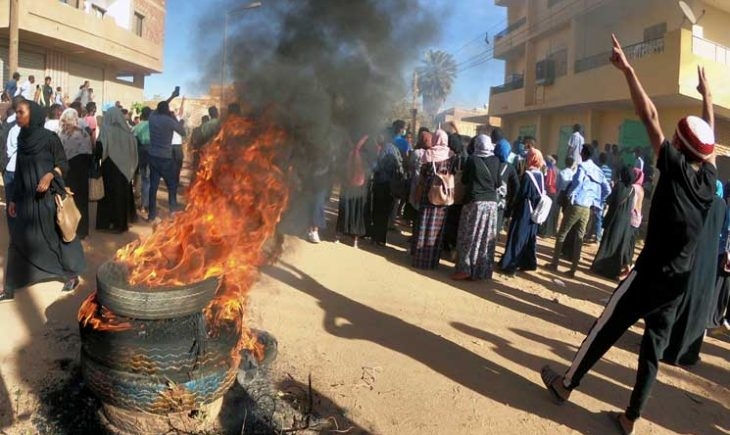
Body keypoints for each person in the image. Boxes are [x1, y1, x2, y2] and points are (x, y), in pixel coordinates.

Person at [540, 36, 718, 435]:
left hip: (648, 274)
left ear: (677, 145)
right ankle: (630, 418)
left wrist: (629, 71)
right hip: (677, 284)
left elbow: (648, 114)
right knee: (652, 352)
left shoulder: (673, 167)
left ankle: (566, 384)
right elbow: (708, 143)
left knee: (606, 327)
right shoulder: (708, 181)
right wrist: (707, 97)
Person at [0, 101, 86, 301]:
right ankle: (10, 287)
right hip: (26, 199)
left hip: (48, 198)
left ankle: (71, 275)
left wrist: (49, 175)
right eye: (17, 112)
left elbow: (63, 164)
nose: (17, 116)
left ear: (34, 115)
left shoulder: (50, 138)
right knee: (17, 239)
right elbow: (20, 171)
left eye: (21, 112)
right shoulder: (22, 138)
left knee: (55, 236)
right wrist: (13, 199)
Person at [662, 180, 726, 366]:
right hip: (709, 262)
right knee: (699, 305)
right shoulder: (722, 205)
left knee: (680, 299)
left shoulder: (698, 199)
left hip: (690, 257)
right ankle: (688, 353)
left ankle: (668, 347)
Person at [548, 144, 611, 278]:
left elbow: (577, 182)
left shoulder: (582, 167)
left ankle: (554, 264)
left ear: (583, 154)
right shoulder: (598, 170)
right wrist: (597, 201)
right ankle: (573, 269)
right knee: (579, 238)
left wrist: (571, 195)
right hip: (587, 208)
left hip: (576, 204)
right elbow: (607, 189)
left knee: (562, 234)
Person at [452, 134, 501, 280]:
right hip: (491, 204)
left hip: (474, 203)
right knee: (485, 237)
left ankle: (465, 269)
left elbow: (465, 180)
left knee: (469, 236)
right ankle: (481, 271)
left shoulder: (472, 160)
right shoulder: (496, 160)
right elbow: (498, 183)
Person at [498, 147, 545, 276]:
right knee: (529, 238)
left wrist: (511, 209)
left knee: (517, 237)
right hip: (534, 212)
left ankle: (510, 265)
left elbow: (521, 194)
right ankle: (528, 262)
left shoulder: (527, 175)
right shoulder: (540, 175)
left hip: (524, 211)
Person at [411, 129, 451, 269]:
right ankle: (432, 262)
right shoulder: (451, 156)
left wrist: (417, 194)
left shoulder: (429, 154)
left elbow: (422, 178)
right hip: (443, 198)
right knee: (436, 231)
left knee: (423, 226)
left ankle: (420, 260)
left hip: (427, 196)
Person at [96, 107, 139, 233]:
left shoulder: (106, 130)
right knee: (121, 196)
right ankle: (121, 225)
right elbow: (134, 152)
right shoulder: (129, 133)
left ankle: (105, 223)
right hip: (125, 169)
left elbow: (99, 148)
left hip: (109, 167)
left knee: (107, 195)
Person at [590, 167, 635, 280]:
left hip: (615, 218)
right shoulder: (632, 190)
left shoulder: (619, 185)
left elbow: (610, 200)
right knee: (617, 246)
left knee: (608, 242)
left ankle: (600, 267)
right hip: (625, 222)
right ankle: (613, 271)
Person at [147, 90, 184, 222]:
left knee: (153, 187)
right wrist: (174, 118)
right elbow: (183, 132)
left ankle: (151, 215)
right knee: (172, 185)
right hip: (166, 158)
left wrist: (172, 96)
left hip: (153, 156)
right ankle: (172, 211)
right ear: (167, 110)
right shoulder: (170, 121)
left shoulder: (152, 118)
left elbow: (159, 108)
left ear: (158, 110)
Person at [58, 108, 93, 239]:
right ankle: (82, 231)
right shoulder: (83, 133)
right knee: (82, 200)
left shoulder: (61, 134)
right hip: (82, 171)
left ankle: (67, 229)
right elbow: (90, 152)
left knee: (67, 200)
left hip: (66, 171)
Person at [336, 135, 372, 248]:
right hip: (355, 185)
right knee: (354, 210)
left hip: (354, 185)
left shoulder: (352, 150)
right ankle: (349, 238)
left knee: (351, 210)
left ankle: (342, 236)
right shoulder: (356, 149)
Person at [371, 131, 403, 247]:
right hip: (391, 186)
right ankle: (381, 239)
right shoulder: (394, 149)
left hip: (381, 184)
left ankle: (376, 237)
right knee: (385, 213)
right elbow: (400, 166)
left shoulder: (382, 150)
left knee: (377, 211)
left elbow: (376, 167)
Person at [494, 136, 520, 235]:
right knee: (495, 229)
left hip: (486, 199)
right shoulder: (510, 168)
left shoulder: (489, 162)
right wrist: (510, 205)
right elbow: (516, 188)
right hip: (500, 202)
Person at [132, 106, 152, 214]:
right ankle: (147, 204)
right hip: (153, 153)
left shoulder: (137, 127)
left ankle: (144, 205)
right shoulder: (154, 126)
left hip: (141, 154)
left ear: (142, 115)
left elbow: (133, 141)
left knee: (144, 178)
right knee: (150, 179)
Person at [538, 155, 560, 237]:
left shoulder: (548, 169)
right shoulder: (557, 170)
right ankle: (548, 232)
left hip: (548, 192)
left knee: (544, 211)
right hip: (554, 193)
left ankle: (543, 231)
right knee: (550, 212)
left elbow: (547, 183)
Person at [170, 97, 186, 193]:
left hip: (174, 146)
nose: (174, 114)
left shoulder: (176, 120)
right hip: (174, 146)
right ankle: (174, 181)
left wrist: (183, 102)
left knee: (177, 165)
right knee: (175, 165)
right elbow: (180, 112)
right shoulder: (171, 121)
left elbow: (181, 111)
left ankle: (175, 181)